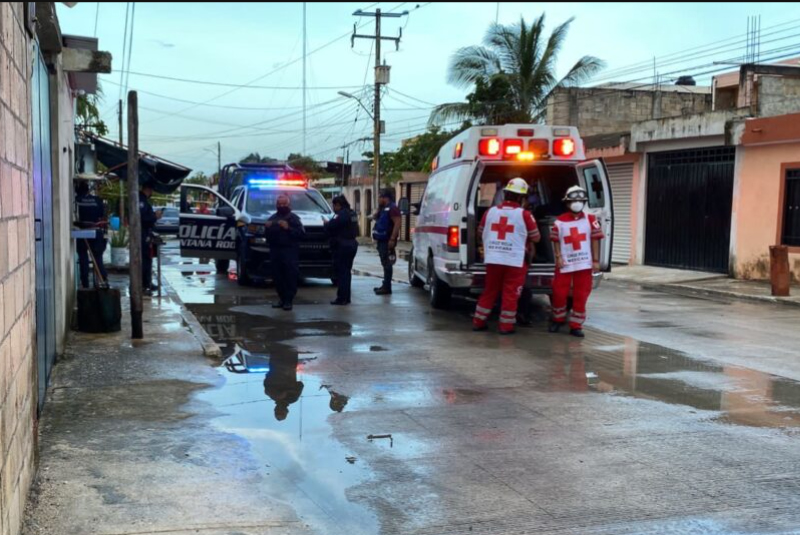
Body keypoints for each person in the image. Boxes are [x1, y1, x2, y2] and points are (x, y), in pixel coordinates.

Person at [473, 178, 541, 334]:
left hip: (493, 259)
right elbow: (536, 237)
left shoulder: (490, 212)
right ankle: (506, 327)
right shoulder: (525, 215)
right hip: (515, 261)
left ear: (505, 194)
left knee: (489, 291)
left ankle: (478, 321)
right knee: (511, 293)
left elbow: (479, 232)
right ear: (521, 197)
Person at [548, 186, 605, 338]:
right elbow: (555, 240)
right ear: (567, 203)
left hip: (584, 263)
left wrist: (596, 260)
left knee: (581, 295)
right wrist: (558, 256)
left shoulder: (590, 220)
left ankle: (576, 325)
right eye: (574, 200)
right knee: (559, 293)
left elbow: (595, 240)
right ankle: (558, 319)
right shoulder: (559, 221)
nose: (577, 203)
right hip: (565, 263)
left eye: (580, 200)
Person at [266, 194, 305, 311]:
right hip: (275, 251)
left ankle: (288, 301)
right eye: (279, 204)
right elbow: (267, 237)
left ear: (289, 205)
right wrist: (267, 228)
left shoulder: (294, 218)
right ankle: (281, 299)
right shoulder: (272, 218)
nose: (282, 206)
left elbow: (301, 234)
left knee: (290, 276)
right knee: (277, 276)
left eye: (284, 204)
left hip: (289, 251)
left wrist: (288, 228)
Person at [325, 195, 359, 305]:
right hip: (352, 244)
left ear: (338, 205)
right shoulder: (352, 213)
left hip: (342, 246)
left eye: (334, 205)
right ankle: (346, 297)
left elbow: (332, 226)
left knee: (341, 273)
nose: (333, 208)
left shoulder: (341, 214)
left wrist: (326, 224)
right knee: (347, 272)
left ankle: (341, 298)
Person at [75, 181, 108, 288]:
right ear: (88, 190)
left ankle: (85, 284)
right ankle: (103, 280)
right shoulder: (97, 200)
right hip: (96, 232)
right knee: (98, 258)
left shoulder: (77, 200)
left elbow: (76, 218)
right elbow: (101, 215)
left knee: (83, 258)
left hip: (82, 233)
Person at [371, 188, 402, 295]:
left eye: (379, 197)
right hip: (382, 240)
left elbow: (397, 223)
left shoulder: (393, 208)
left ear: (385, 197)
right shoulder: (384, 208)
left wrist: (392, 239)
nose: (378, 199)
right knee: (384, 263)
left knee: (387, 264)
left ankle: (387, 287)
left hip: (387, 240)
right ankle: (385, 284)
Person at [264, 350, 304, 422]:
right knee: (291, 344)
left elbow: (266, 382)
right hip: (289, 364)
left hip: (276, 362)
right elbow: (300, 385)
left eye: (277, 412)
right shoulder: (292, 399)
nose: (279, 410)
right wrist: (287, 391)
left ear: (274, 409)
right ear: (287, 411)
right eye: (282, 412)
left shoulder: (272, 395)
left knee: (277, 344)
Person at [139, 184, 162, 297]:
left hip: (145, 233)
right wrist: (155, 216)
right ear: (148, 189)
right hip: (142, 233)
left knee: (148, 259)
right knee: (145, 259)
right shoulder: (141, 201)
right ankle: (144, 284)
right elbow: (142, 218)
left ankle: (147, 283)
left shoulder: (143, 200)